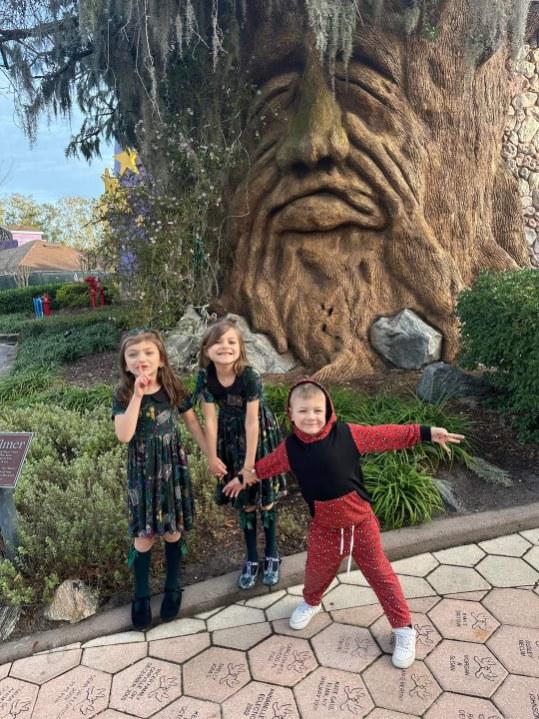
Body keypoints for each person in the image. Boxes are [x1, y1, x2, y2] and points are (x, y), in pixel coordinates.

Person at [224, 379, 464, 669]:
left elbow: (386, 435)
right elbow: (266, 467)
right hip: (324, 528)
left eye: (317, 410)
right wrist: (241, 479)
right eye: (303, 411)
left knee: (382, 577)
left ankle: (404, 629)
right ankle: (311, 603)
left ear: (328, 409)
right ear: (291, 413)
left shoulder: (347, 434)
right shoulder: (290, 448)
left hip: (360, 525)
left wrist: (426, 433)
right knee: (315, 573)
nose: (311, 417)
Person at [113, 328, 208, 630]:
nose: (141, 359)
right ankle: (141, 594)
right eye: (134, 354)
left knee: (171, 530)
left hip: (170, 467)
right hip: (142, 471)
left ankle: (173, 584)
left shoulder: (172, 386)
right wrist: (138, 396)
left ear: (161, 359)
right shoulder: (124, 394)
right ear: (126, 364)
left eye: (148, 353)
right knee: (143, 535)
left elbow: (192, 422)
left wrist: (211, 454)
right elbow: (124, 435)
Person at [195, 318, 287, 590]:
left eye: (231, 341)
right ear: (206, 349)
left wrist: (249, 468)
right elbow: (209, 420)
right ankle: (251, 558)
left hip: (258, 438)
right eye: (218, 342)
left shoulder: (249, 376)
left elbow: (252, 421)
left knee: (265, 499)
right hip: (229, 439)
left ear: (240, 348)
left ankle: (272, 553)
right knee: (244, 502)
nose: (225, 346)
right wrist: (212, 456)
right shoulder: (205, 377)